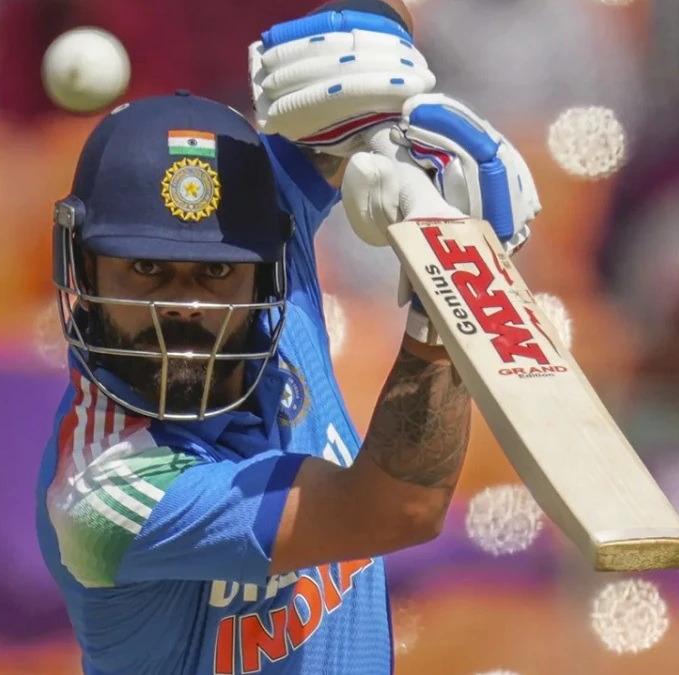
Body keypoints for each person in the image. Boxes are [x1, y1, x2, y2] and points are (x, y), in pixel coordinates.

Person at [35, 2, 540, 672]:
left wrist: (370, 39)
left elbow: (377, 36)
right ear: (84, 263)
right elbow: (401, 508)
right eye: (146, 268)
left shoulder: (270, 236)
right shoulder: (104, 495)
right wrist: (444, 292)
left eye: (216, 271)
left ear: (269, 266)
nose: (182, 305)